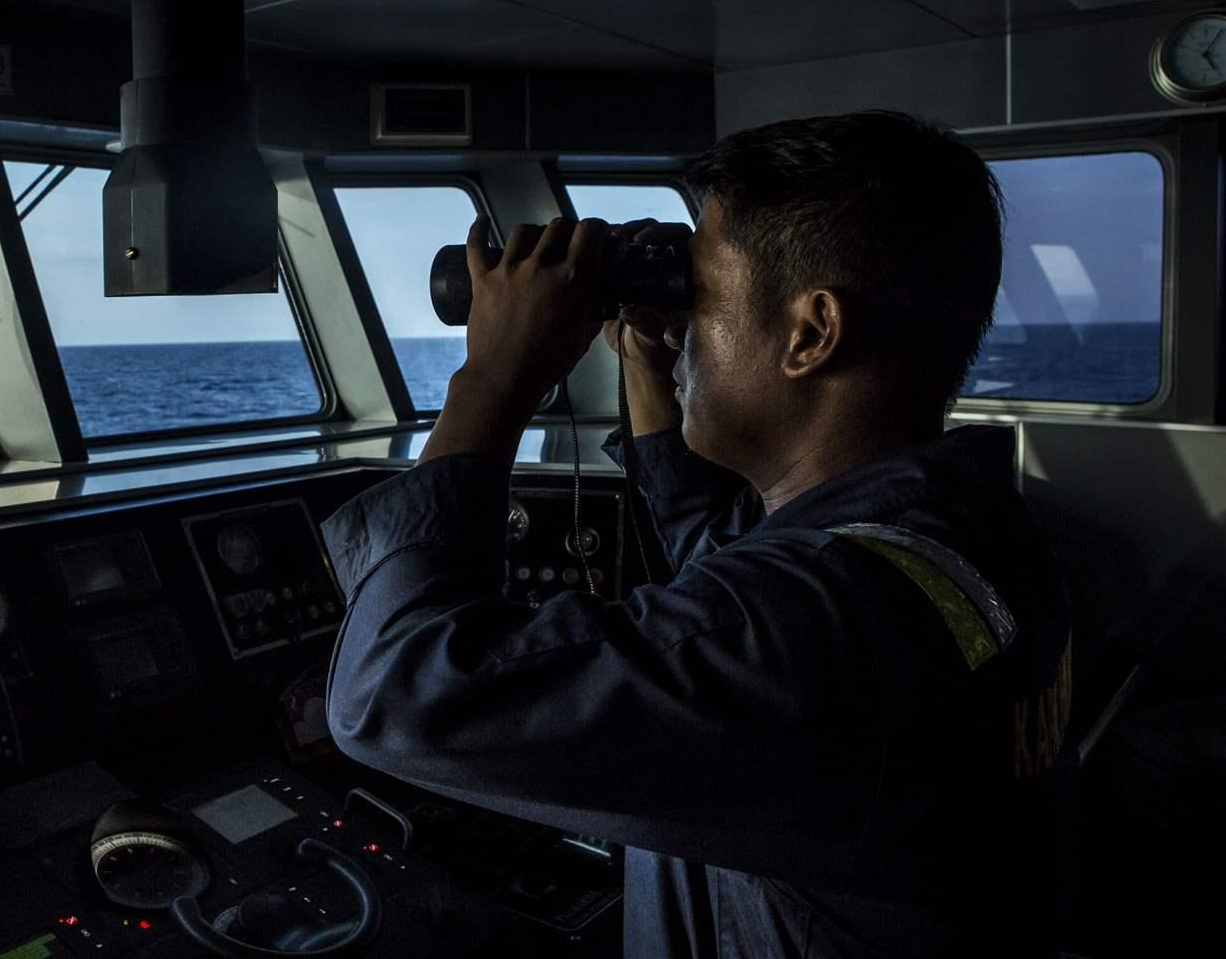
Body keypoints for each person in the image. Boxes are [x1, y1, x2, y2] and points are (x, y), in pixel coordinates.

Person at [320, 111, 1072, 958]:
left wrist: (493, 376)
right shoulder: (959, 534)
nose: (689, 319)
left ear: (812, 332)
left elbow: (394, 696)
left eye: (703, 289)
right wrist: (654, 360)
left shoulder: (815, 625)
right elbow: (729, 566)